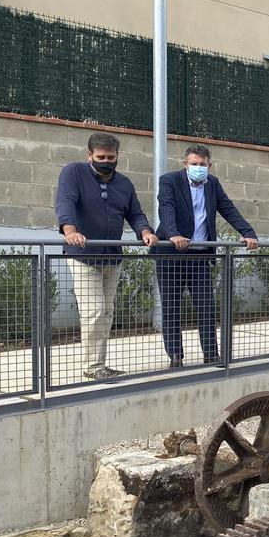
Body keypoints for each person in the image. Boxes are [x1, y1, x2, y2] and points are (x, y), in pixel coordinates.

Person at [55, 132, 159, 381]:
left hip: (112, 257)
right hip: (83, 254)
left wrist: (145, 231)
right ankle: (92, 366)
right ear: (89, 155)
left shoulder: (124, 184)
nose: (106, 161)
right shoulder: (73, 172)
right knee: (95, 310)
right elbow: (65, 201)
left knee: (107, 311)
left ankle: (99, 363)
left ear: (117, 156)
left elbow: (135, 213)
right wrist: (70, 230)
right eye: (100, 157)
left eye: (111, 157)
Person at [154, 144, 259, 368]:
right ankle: (175, 356)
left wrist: (248, 233)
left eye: (202, 165)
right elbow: (166, 207)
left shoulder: (212, 184)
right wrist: (174, 234)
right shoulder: (169, 180)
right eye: (194, 164)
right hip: (171, 253)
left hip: (200, 256)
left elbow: (228, 209)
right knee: (171, 307)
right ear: (185, 164)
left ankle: (211, 354)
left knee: (206, 306)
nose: (198, 168)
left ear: (209, 166)